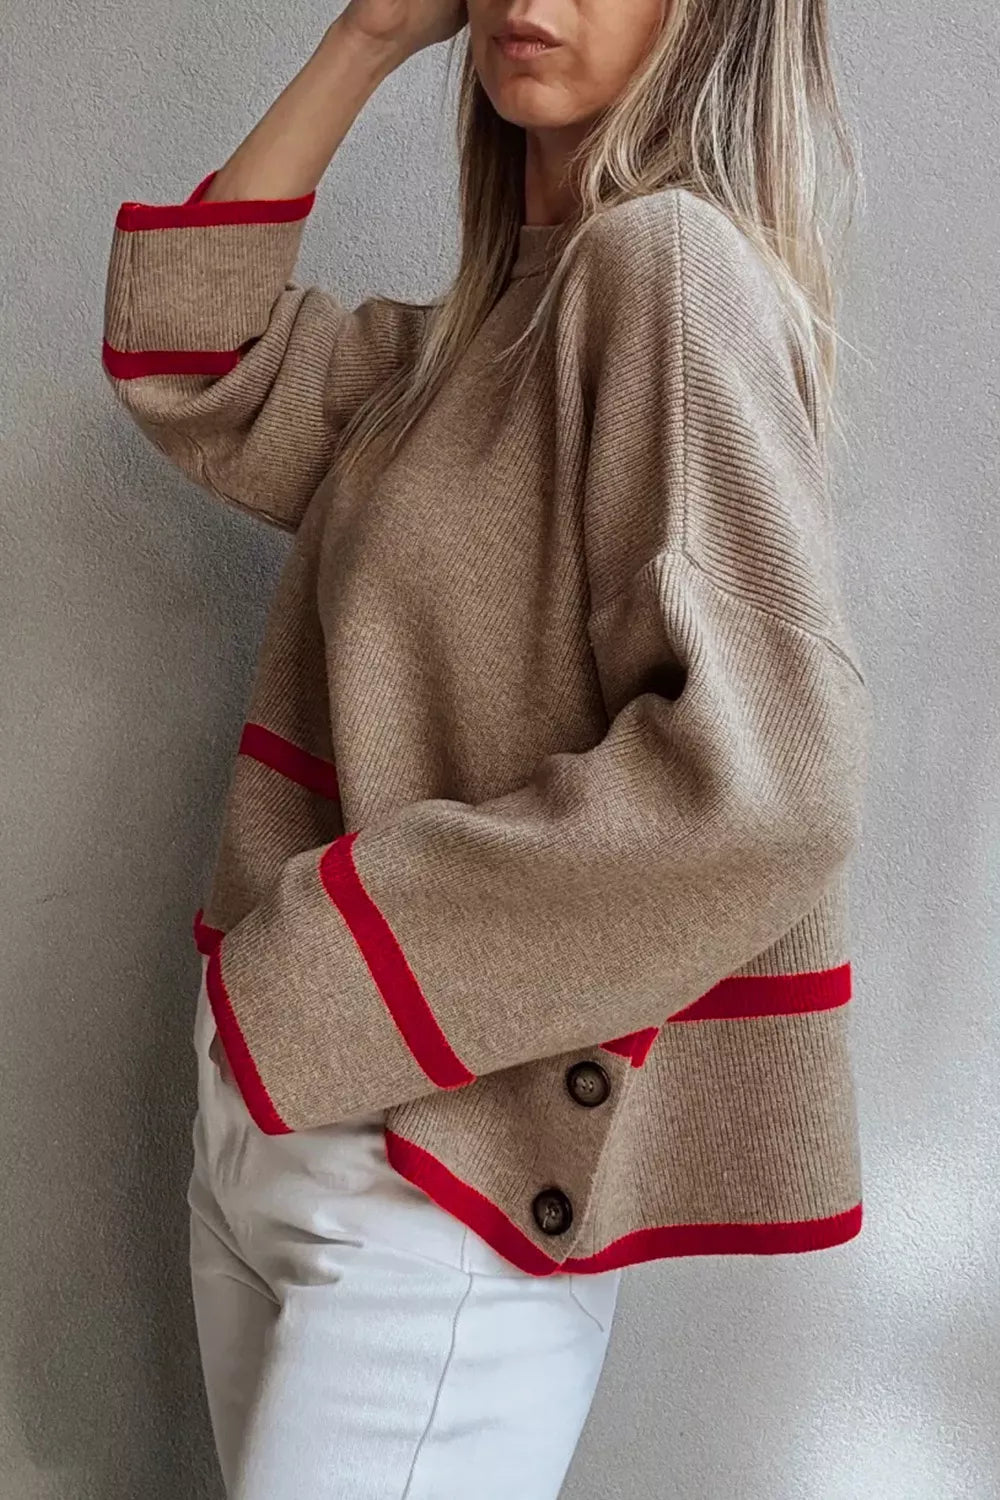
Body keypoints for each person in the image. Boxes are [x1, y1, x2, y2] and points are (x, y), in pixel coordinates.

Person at [100, 0, 873, 1495]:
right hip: (286, 1124)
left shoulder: (667, 270)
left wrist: (326, 955)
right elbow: (184, 357)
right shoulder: (479, 326)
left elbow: (774, 787)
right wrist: (370, 36)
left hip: (438, 1177)